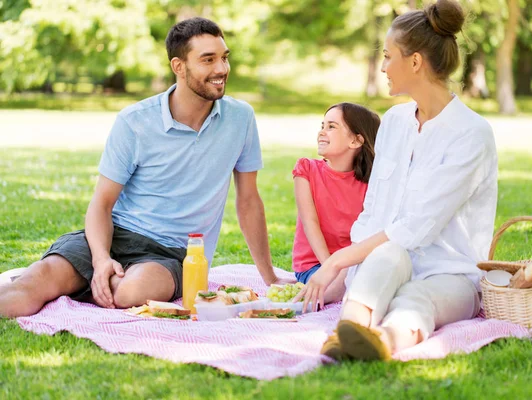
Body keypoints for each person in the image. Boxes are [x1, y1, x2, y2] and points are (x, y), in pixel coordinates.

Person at [0, 17, 293, 318]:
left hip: (173, 254)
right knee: (36, 283)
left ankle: (79, 281)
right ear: (179, 67)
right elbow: (101, 204)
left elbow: (248, 201)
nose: (221, 69)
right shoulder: (135, 122)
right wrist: (100, 260)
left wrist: (269, 276)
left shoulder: (240, 119)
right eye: (208, 60)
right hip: (115, 236)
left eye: (224, 58)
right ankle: (73, 276)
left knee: (131, 292)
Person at [296, 0, 498, 361]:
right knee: (387, 254)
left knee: (415, 299)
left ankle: (381, 343)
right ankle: (348, 332)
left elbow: (416, 228)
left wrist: (337, 261)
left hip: (448, 274)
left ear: (415, 62)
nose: (384, 66)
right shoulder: (394, 122)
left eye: (389, 57)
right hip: (386, 262)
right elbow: (374, 209)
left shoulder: (471, 134)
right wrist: (354, 269)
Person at [291, 103, 380, 304]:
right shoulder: (306, 170)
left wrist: (344, 268)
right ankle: (317, 296)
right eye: (322, 125)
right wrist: (329, 269)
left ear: (356, 141)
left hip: (353, 262)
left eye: (331, 127)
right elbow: (310, 223)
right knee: (349, 281)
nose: (322, 132)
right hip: (316, 266)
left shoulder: (371, 183)